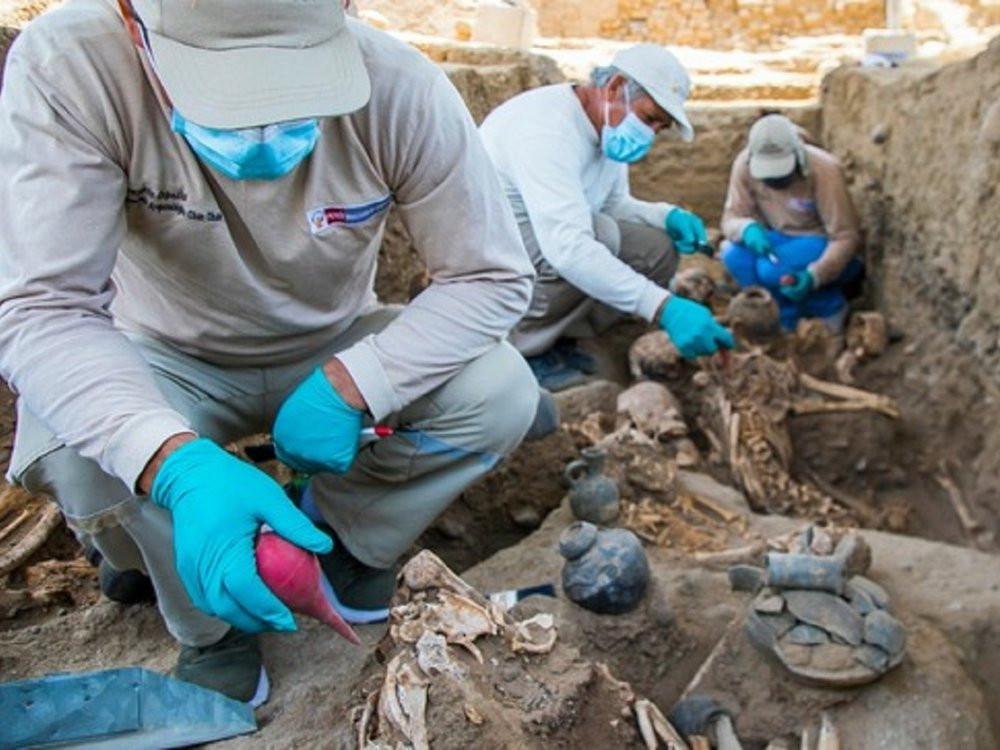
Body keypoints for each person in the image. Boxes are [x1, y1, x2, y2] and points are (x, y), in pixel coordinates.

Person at [0, 0, 540, 705]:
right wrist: (172, 461)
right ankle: (209, 625)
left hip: (329, 343)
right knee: (73, 448)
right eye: (219, 83)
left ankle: (342, 538)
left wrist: (359, 381)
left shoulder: (402, 87)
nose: (258, 125)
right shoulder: (73, 67)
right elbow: (47, 308)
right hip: (165, 353)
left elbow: (490, 276)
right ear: (134, 19)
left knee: (499, 392)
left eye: (290, 81)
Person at [479, 44, 733, 391]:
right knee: (600, 237)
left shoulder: (609, 128)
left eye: (660, 126)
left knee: (656, 248)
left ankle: (565, 335)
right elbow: (568, 247)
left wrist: (666, 215)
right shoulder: (547, 131)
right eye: (649, 118)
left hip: (545, 240)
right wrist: (664, 307)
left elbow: (613, 203)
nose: (651, 132)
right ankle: (521, 351)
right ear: (614, 88)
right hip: (488, 249)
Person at [720, 113, 864, 331]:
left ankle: (829, 306)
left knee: (770, 270)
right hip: (779, 239)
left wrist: (816, 275)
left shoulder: (825, 169)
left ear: (798, 156)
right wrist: (746, 228)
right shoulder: (744, 165)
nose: (775, 182)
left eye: (781, 174)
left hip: (820, 242)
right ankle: (782, 315)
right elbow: (730, 219)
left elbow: (845, 236)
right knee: (733, 255)